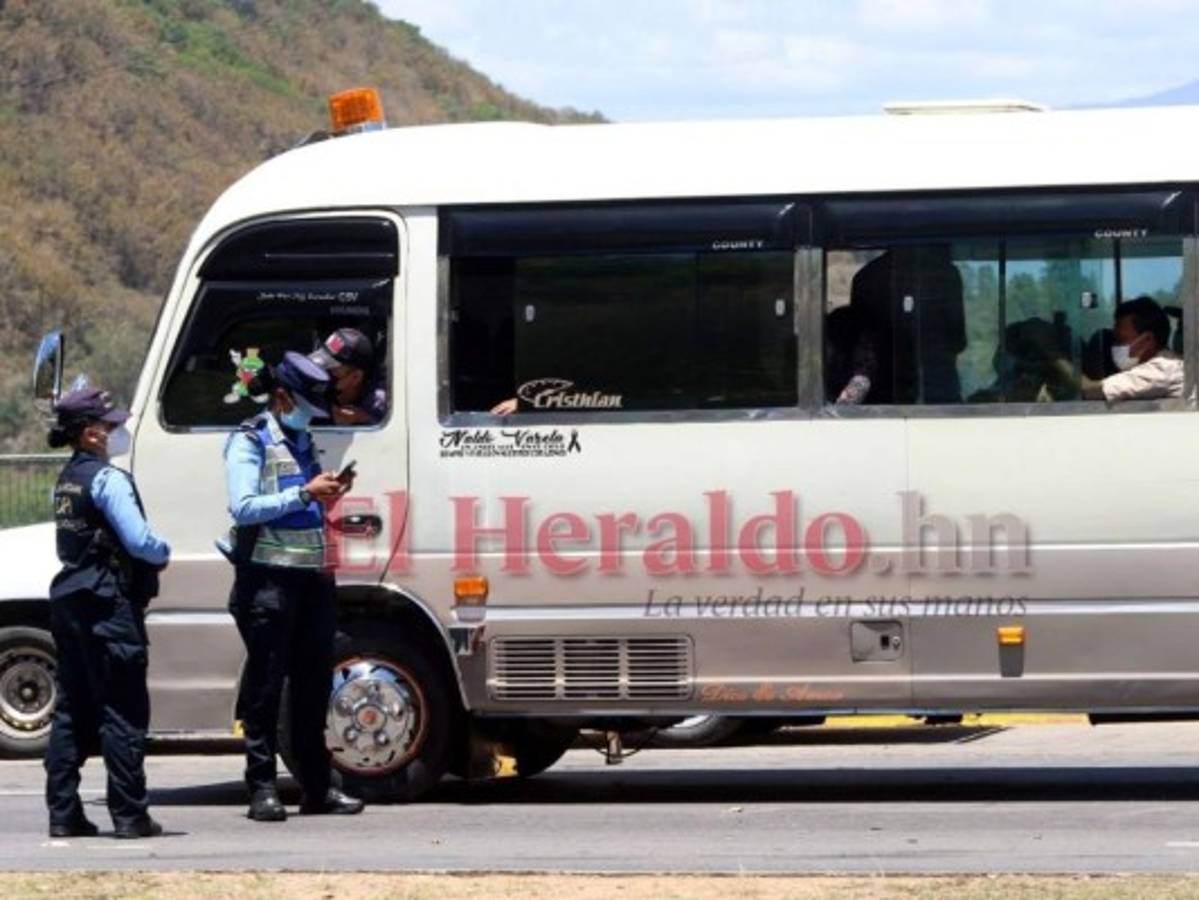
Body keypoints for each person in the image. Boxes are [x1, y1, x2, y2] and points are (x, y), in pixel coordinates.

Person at [219, 351, 364, 822]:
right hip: (268, 582)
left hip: (311, 580)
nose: (309, 414)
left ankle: (318, 788)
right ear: (281, 397)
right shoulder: (249, 441)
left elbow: (305, 508)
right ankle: (261, 788)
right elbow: (243, 507)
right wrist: (304, 493)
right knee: (264, 689)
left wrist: (327, 492)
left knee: (313, 686)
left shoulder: (304, 439)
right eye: (303, 404)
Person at [44, 387, 170, 839]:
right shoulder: (107, 479)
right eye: (110, 425)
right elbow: (140, 542)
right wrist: (163, 550)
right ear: (91, 433)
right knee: (123, 712)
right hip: (109, 604)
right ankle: (131, 815)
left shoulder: (66, 479)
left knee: (72, 712)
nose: (118, 431)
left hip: (72, 600)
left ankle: (63, 813)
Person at [1038, 296, 1183, 402]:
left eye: (1121, 340)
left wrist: (1052, 353)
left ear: (1147, 340)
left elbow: (1088, 390)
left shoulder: (1162, 369)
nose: (1115, 347)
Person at [308, 327, 387, 426]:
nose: (324, 372)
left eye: (332, 370)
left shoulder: (378, 404)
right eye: (322, 366)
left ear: (355, 377)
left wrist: (362, 419)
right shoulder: (315, 391)